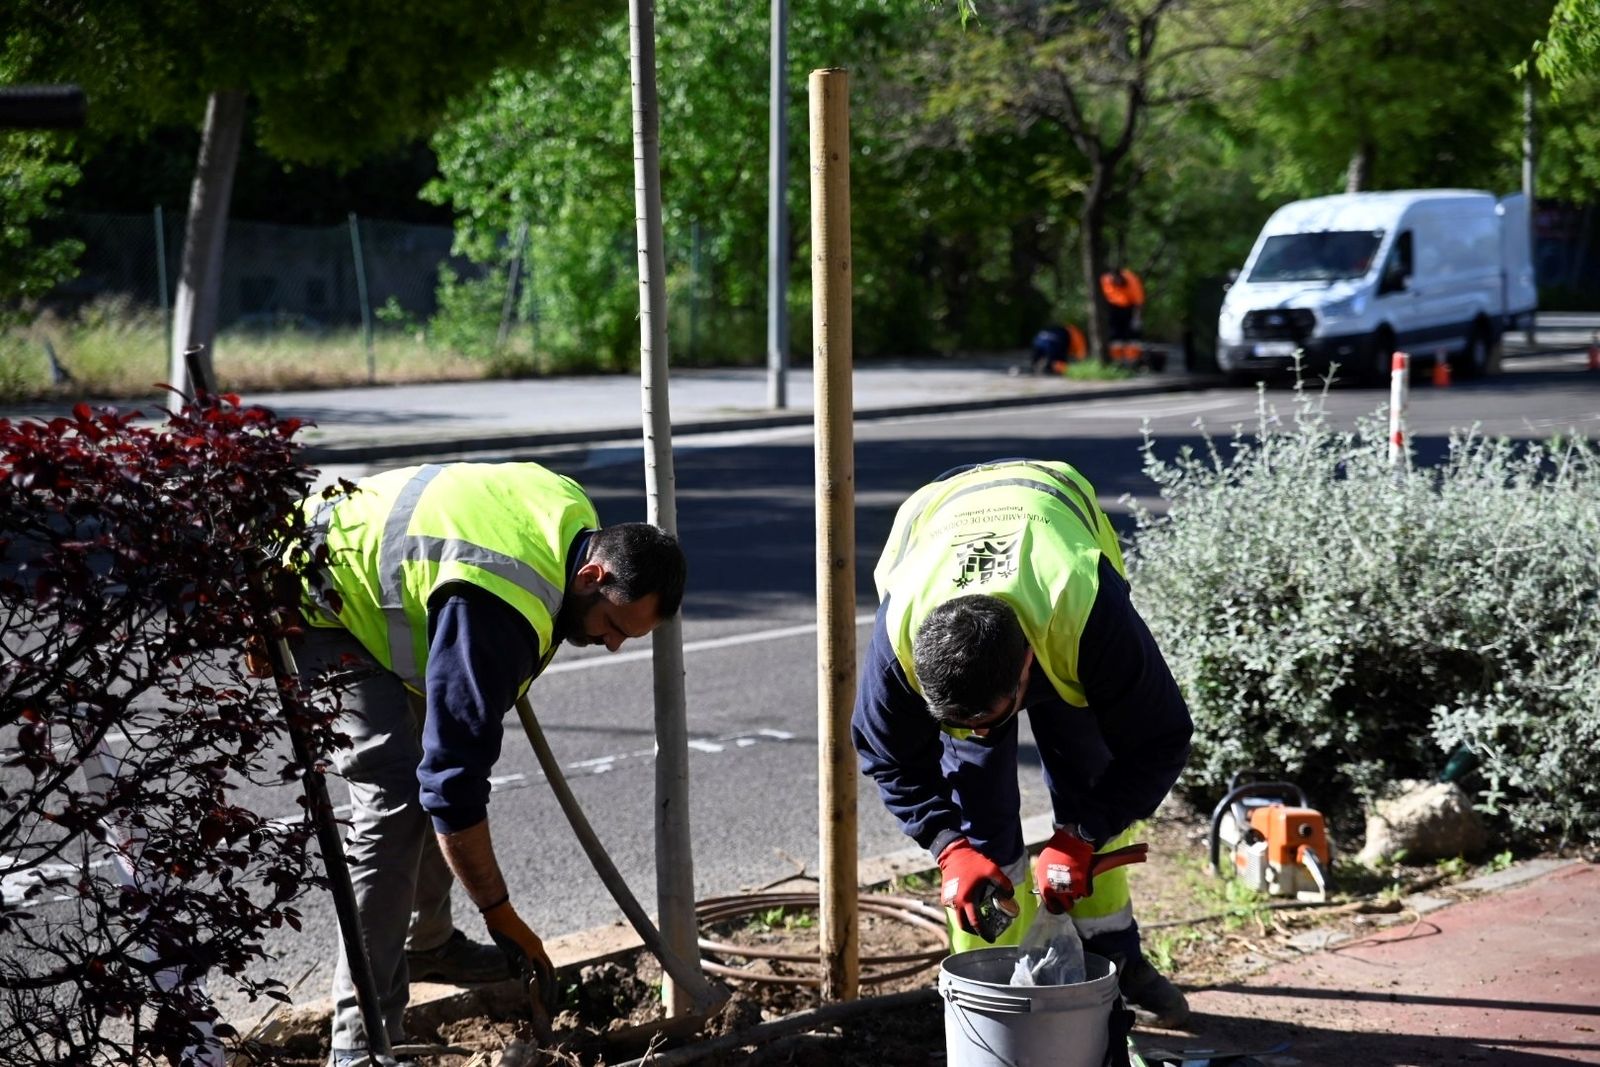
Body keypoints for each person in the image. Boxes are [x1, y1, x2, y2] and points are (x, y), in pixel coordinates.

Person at [289, 461, 687, 1066]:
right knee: (394, 802)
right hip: (322, 594)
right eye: (611, 625)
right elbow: (452, 786)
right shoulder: (500, 608)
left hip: (400, 587)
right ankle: (361, 1045)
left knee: (421, 768)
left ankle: (426, 945)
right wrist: (501, 915)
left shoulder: (572, 516)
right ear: (590, 574)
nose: (610, 645)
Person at [851, 459, 1193, 1027]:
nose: (979, 732)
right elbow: (889, 755)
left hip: (1050, 527)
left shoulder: (1084, 611)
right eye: (961, 722)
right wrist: (946, 848)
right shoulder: (901, 640)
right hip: (938, 519)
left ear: (1028, 670)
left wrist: (1082, 836)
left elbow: (1160, 739)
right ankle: (990, 994)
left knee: (1090, 775)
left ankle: (1116, 959)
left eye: (991, 717)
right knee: (979, 825)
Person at [1099, 266, 1146, 364]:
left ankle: (1133, 361)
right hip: (1113, 308)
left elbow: (1139, 302)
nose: (1117, 282)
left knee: (1133, 336)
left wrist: (1137, 318)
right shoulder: (1105, 281)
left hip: (1130, 308)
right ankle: (1117, 361)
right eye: (1115, 280)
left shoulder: (1132, 281)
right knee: (1115, 337)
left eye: (1119, 280)